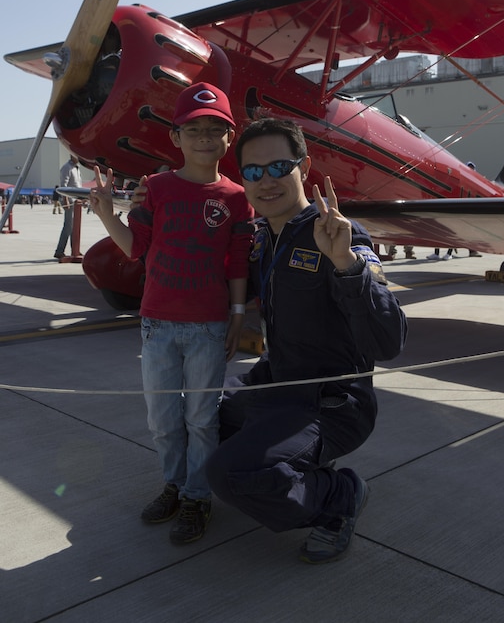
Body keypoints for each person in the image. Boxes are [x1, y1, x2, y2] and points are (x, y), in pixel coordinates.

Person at [204, 118, 407, 565]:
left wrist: (346, 266)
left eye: (279, 166)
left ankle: (339, 496)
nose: (267, 180)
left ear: (305, 166)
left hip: (331, 403)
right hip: (276, 384)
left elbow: (388, 341)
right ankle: (297, 467)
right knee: (194, 416)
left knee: (230, 472)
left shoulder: (338, 234)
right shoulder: (263, 239)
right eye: (254, 172)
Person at [90, 82, 254, 545]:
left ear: (229, 137)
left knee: (202, 418)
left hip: (209, 326)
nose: (204, 137)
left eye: (214, 129)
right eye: (194, 129)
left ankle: (198, 496)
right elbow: (136, 249)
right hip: (157, 326)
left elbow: (238, 263)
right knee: (163, 418)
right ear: (177, 138)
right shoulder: (156, 188)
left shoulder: (237, 198)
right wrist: (105, 213)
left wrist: (238, 313)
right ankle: (175, 484)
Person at [54, 155, 82, 258]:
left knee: (74, 227)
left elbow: (77, 185)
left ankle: (75, 249)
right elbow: (63, 185)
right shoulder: (67, 167)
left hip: (76, 201)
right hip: (70, 201)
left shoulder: (77, 168)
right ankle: (59, 250)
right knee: (68, 226)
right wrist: (65, 199)